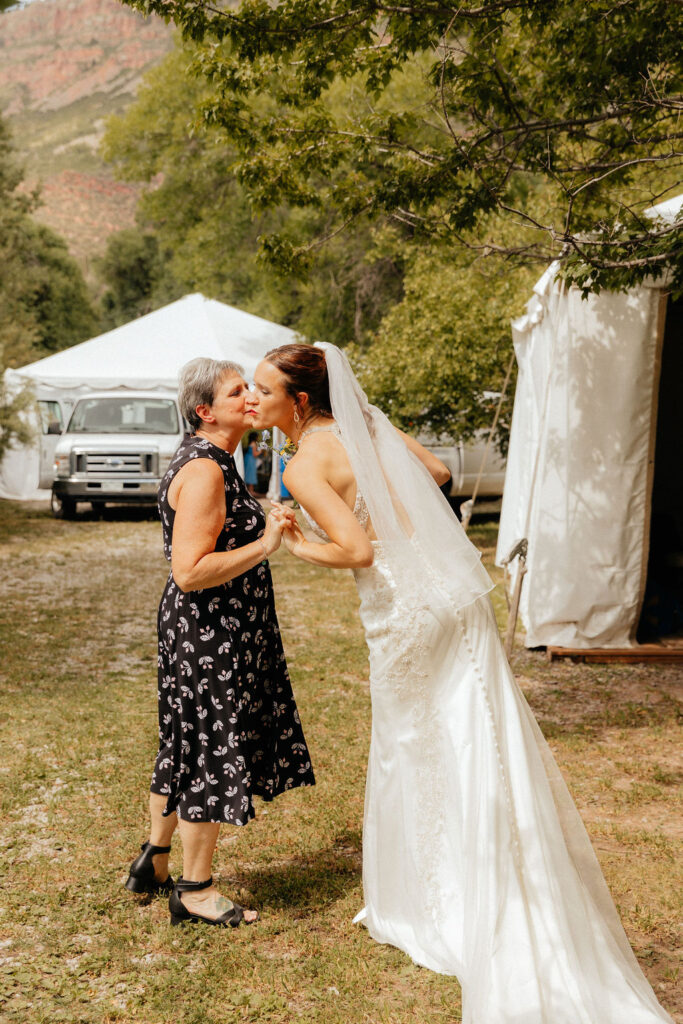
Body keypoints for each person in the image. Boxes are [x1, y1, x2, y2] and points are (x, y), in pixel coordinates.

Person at [249, 343, 673, 1024]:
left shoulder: (304, 466)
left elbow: (355, 552)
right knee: (478, 729)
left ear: (298, 402)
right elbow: (440, 471)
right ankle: (491, 872)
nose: (253, 398)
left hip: (401, 611)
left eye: (263, 389)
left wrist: (296, 545)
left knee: (410, 744)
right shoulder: (368, 423)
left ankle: (429, 899)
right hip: (451, 592)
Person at [125, 357, 315, 928]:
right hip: (211, 630)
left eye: (253, 388)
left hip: (208, 628)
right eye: (239, 392)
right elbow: (189, 570)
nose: (252, 397)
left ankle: (154, 860)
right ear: (206, 411)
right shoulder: (206, 470)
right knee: (208, 748)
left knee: (183, 742)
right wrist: (264, 546)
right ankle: (195, 888)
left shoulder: (214, 459)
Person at [243, 430, 261, 495]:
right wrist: (260, 451)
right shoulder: (254, 444)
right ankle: (251, 491)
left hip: (247, 459)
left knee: (247, 473)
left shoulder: (250, 443)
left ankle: (248, 490)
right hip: (251, 460)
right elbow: (255, 454)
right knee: (251, 474)